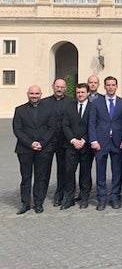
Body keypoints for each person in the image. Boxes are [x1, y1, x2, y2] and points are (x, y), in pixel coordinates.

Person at [12, 85, 56, 214]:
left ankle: (38, 203)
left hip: (44, 148)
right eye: (32, 93)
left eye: (37, 93)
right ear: (27, 94)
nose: (34, 96)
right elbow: (17, 130)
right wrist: (30, 143)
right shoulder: (20, 110)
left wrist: (41, 143)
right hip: (25, 149)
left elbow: (51, 128)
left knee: (40, 177)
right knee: (26, 177)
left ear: (41, 94)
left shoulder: (49, 109)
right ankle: (25, 203)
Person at [89, 76, 122, 210]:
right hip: (101, 142)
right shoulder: (96, 102)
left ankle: (115, 198)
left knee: (117, 172)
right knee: (100, 172)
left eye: (113, 85)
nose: (111, 87)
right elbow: (92, 123)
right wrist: (93, 140)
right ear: (104, 87)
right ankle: (101, 199)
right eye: (108, 85)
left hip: (118, 143)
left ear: (117, 87)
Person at [60, 83, 93, 210]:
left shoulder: (93, 107)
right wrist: (73, 140)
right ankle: (69, 199)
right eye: (78, 92)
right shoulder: (69, 107)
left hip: (86, 147)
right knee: (69, 172)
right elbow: (65, 125)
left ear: (88, 93)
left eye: (83, 92)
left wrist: (84, 140)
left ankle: (84, 198)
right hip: (71, 146)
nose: (80, 94)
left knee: (85, 173)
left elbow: (93, 125)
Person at [42, 78, 70, 206]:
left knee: (63, 170)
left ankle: (60, 195)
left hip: (64, 141)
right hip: (48, 141)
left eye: (62, 87)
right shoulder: (44, 103)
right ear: (53, 87)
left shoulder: (71, 102)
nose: (59, 89)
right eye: (57, 86)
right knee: (44, 170)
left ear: (65, 88)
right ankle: (40, 196)